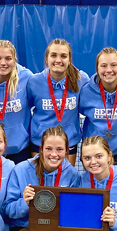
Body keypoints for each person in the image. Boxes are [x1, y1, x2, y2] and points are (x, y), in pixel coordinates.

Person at [3, 125, 80, 231]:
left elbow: (74, 215)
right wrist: (24, 203)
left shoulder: (73, 175)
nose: (54, 154)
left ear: (67, 150)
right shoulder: (21, 169)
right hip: (25, 228)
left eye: (60, 149)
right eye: (49, 149)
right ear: (41, 149)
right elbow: (8, 209)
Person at [80, 47, 117, 175]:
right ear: (97, 69)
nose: (109, 70)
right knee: (95, 190)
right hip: (93, 152)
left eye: (114, 65)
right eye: (103, 66)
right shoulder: (86, 92)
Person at [27, 39, 89, 167]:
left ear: (69, 59)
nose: (58, 60)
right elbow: (26, 107)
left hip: (69, 141)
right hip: (40, 141)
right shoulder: (34, 82)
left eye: (63, 56)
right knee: (40, 181)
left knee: (65, 182)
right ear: (46, 58)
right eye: (53, 55)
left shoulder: (81, 80)